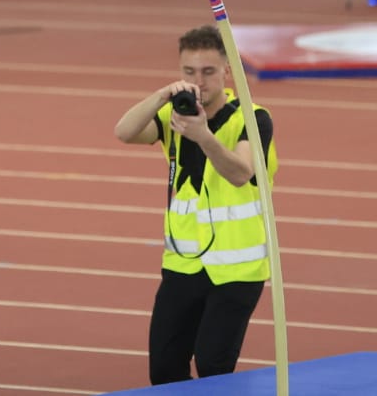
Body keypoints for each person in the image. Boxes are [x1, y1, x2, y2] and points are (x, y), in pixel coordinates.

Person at [114, 25, 276, 386]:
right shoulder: (175, 115)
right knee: (165, 369)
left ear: (227, 71)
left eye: (208, 72)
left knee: (212, 365)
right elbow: (124, 131)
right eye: (188, 72)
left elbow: (240, 172)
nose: (198, 81)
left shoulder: (252, 118)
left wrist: (203, 136)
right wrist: (162, 96)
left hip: (237, 268)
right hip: (183, 261)